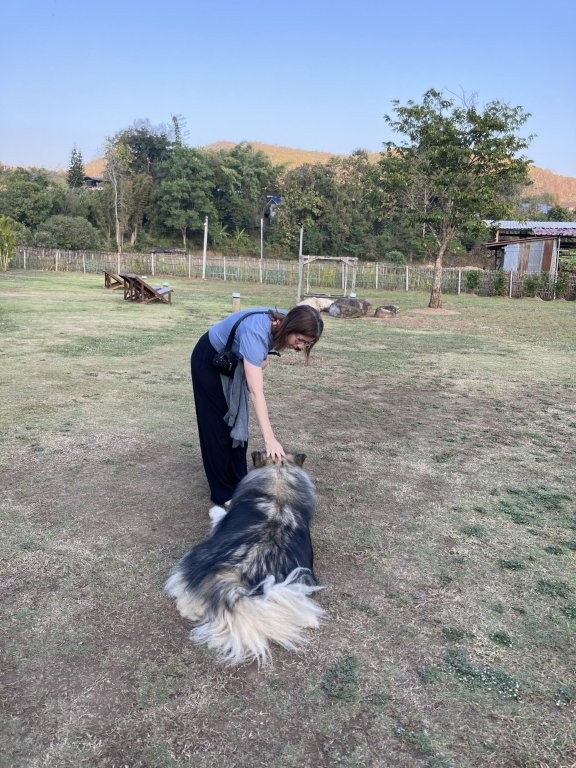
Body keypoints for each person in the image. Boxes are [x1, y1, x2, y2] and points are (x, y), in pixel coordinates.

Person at [191, 304, 324, 506]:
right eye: (300, 340)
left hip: (232, 365)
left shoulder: (278, 322)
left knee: (237, 423)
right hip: (209, 362)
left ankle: (240, 483)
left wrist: (257, 361)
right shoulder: (256, 331)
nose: (300, 347)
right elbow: (256, 392)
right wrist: (270, 439)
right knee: (216, 427)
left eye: (306, 344)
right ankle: (223, 494)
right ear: (289, 327)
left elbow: (260, 362)